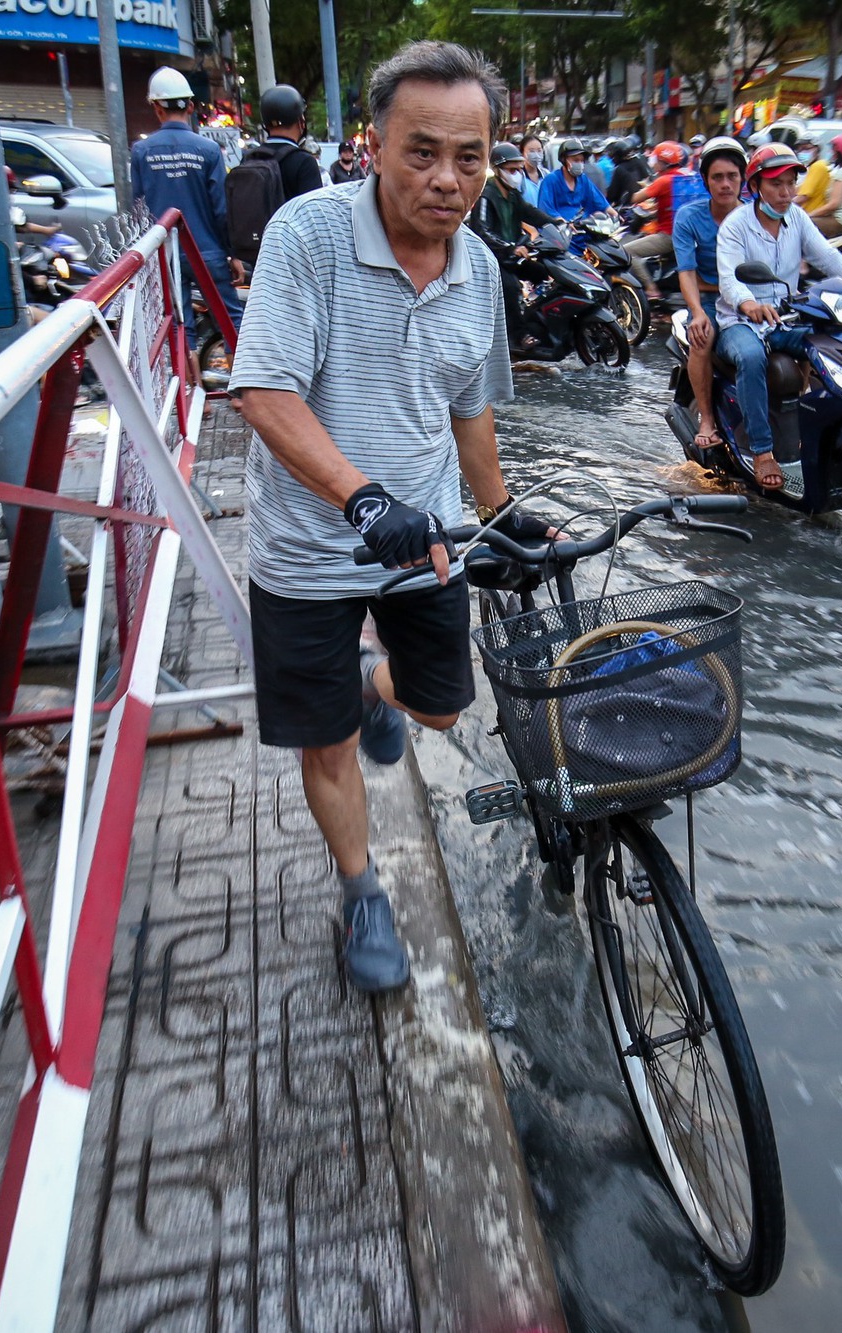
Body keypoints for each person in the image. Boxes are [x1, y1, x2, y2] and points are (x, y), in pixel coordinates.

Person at [229, 41, 556, 993]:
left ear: (494, 156)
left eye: (470, 156)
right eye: (421, 152)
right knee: (324, 741)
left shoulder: (481, 269)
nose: (447, 179)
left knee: (441, 702)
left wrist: (497, 514)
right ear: (373, 145)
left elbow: (469, 408)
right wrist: (361, 497)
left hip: (430, 540)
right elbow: (263, 390)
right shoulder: (307, 236)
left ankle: (378, 687)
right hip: (309, 544)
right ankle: (362, 888)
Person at [716, 144, 842, 490]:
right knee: (752, 358)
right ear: (755, 186)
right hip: (742, 323)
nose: (786, 193)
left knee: (836, 342)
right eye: (776, 184)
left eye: (791, 183)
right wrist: (748, 303)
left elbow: (826, 256)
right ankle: (762, 451)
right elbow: (728, 279)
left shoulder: (797, 217)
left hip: (786, 320)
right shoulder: (735, 226)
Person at [132, 66, 242, 332]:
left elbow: (138, 210)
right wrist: (233, 255)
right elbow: (221, 208)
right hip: (208, 252)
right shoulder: (209, 150)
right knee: (231, 323)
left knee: (180, 329)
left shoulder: (141, 151)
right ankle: (238, 372)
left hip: (166, 253)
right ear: (190, 107)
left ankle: (188, 375)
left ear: (157, 107)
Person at [674, 137, 748, 455]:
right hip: (707, 299)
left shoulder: (756, 217)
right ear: (706, 181)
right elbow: (686, 271)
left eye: (732, 176)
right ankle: (707, 420)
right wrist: (698, 313)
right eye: (717, 177)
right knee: (702, 337)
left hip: (749, 299)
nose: (725, 184)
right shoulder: (689, 217)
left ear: (743, 179)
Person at [226, 84, 325, 281]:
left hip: (258, 260)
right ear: (300, 120)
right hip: (296, 262)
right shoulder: (304, 162)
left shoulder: (250, 158)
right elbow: (316, 221)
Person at [474, 142, 560, 348]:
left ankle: (539, 323)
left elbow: (530, 212)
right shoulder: (486, 195)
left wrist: (555, 223)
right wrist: (510, 247)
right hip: (493, 259)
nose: (517, 174)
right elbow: (482, 232)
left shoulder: (513, 195)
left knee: (543, 273)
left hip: (513, 256)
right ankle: (518, 336)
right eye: (512, 170)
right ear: (497, 170)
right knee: (511, 287)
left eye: (519, 169)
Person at [625, 141, 699, 293]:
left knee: (627, 251)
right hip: (690, 234)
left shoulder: (663, 181)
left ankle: (651, 290)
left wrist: (629, 184)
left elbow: (635, 198)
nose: (653, 163)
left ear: (663, 162)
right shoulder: (687, 176)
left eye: (655, 159)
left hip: (669, 236)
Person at [537, 137, 610, 220]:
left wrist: (615, 215)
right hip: (561, 231)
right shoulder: (551, 180)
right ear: (564, 160)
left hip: (583, 227)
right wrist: (561, 221)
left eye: (581, 161)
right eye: (576, 160)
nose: (579, 163)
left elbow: (599, 201)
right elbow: (546, 208)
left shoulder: (583, 180)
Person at [607, 135, 649, 206]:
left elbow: (612, 194)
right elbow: (646, 177)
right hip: (642, 202)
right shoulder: (638, 161)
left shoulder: (619, 169)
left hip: (626, 206)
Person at [795, 137, 831, 215]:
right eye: (800, 149)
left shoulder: (817, 166)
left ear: (817, 150)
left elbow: (803, 196)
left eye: (806, 148)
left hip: (811, 214)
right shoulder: (812, 167)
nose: (802, 152)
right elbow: (798, 190)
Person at [517, 133, 547, 204]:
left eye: (539, 150)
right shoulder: (518, 178)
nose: (536, 155)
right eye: (532, 151)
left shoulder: (547, 175)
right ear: (522, 153)